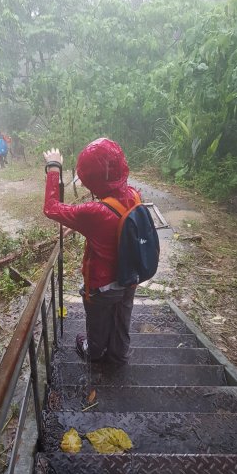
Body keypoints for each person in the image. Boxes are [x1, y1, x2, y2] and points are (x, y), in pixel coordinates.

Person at [43, 138, 141, 364]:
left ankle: (94, 352)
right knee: (122, 319)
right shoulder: (134, 195)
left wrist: (54, 168)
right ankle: (119, 354)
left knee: (97, 325)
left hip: (103, 286)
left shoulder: (95, 212)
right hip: (130, 277)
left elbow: (51, 208)